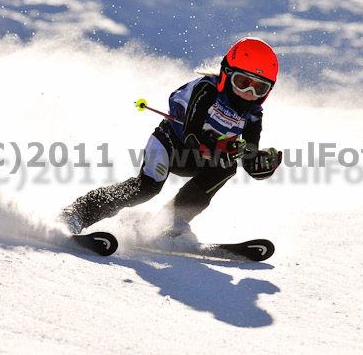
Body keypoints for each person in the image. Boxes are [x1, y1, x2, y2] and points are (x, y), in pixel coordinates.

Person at [60, 37, 283, 238]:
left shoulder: (253, 115)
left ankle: (170, 221)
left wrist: (260, 165)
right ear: (226, 74)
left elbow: (249, 154)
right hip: (169, 145)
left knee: (226, 169)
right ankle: (79, 211)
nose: (249, 94)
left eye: (259, 88)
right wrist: (215, 148)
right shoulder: (207, 90)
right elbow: (192, 133)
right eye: (243, 83)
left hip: (199, 159)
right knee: (147, 188)